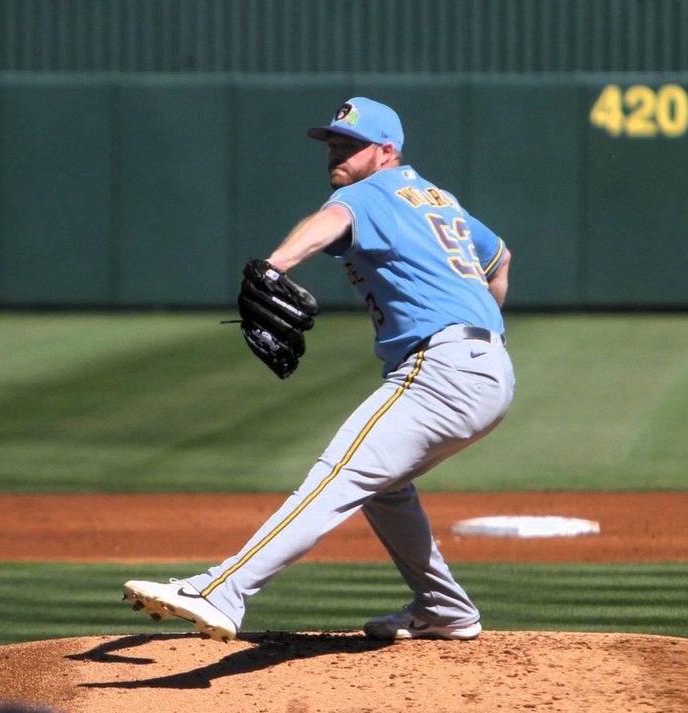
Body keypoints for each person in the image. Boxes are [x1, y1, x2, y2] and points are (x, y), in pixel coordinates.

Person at [124, 97, 515, 642]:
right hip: (485, 367)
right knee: (385, 483)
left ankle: (223, 590)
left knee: (340, 473)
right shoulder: (436, 199)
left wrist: (274, 266)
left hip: (443, 367)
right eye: (332, 142)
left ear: (386, 151)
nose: (336, 152)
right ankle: (443, 608)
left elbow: (333, 219)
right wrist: (483, 331)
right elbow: (499, 261)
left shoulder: (370, 193)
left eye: (349, 145)